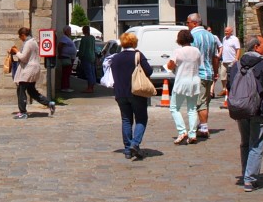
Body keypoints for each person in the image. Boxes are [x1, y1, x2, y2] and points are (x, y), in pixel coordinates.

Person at [229, 35, 263, 191]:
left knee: (245, 143)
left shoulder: (237, 65)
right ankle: (250, 179)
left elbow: (230, 86)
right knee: (256, 144)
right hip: (259, 109)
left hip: (241, 108)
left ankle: (246, 173)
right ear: (256, 47)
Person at [109, 31, 154, 160]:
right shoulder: (138, 55)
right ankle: (135, 143)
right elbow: (149, 71)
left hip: (120, 93)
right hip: (136, 92)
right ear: (134, 42)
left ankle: (128, 149)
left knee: (126, 119)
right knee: (141, 118)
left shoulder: (115, 58)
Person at [165, 29, 202, 145]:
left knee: (174, 107)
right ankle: (192, 133)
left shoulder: (178, 51)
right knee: (192, 109)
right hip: (194, 80)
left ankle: (182, 131)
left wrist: (170, 65)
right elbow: (199, 64)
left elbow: (170, 66)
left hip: (181, 81)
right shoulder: (196, 51)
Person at [10, 27, 55, 119]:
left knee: (21, 90)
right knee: (32, 91)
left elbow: (24, 58)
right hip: (34, 68)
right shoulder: (34, 42)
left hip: (28, 70)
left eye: (20, 36)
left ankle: (23, 112)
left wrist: (16, 52)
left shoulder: (28, 43)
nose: (20, 38)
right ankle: (49, 103)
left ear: (23, 35)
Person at [186, 13, 220, 139]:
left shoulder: (192, 36)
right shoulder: (211, 36)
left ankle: (203, 128)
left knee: (200, 103)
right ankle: (202, 126)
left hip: (198, 73)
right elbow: (215, 57)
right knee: (205, 102)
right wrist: (215, 72)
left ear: (195, 23)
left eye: (188, 22)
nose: (187, 25)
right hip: (209, 72)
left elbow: (191, 56)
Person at [219, 26, 242, 103]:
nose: (226, 33)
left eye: (227, 31)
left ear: (231, 31)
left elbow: (238, 49)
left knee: (232, 76)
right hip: (224, 60)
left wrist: (236, 58)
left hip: (232, 61)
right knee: (222, 75)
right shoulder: (224, 39)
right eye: (225, 31)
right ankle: (224, 89)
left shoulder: (235, 39)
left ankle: (232, 90)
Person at [77, 24, 98, 93]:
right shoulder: (92, 38)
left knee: (88, 73)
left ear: (84, 31)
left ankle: (89, 88)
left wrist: (80, 56)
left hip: (86, 57)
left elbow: (82, 49)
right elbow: (94, 48)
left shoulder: (84, 39)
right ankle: (92, 87)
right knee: (92, 72)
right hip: (92, 56)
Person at [58, 26, 77, 93]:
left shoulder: (67, 38)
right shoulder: (64, 38)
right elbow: (60, 46)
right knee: (66, 72)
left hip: (69, 57)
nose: (70, 31)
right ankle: (65, 87)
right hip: (66, 57)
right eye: (69, 30)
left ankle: (66, 86)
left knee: (68, 72)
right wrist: (60, 54)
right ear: (66, 31)